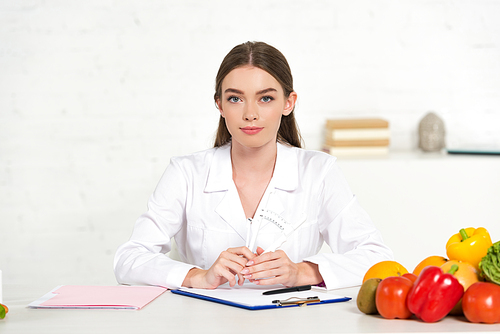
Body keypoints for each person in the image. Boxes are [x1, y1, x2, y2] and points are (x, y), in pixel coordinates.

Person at [114, 41, 393, 290]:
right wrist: (198, 276)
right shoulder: (186, 173)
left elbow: (376, 256)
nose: (250, 114)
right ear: (220, 105)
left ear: (288, 103)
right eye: (235, 99)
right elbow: (129, 259)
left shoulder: (318, 171)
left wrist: (302, 272)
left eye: (266, 98)